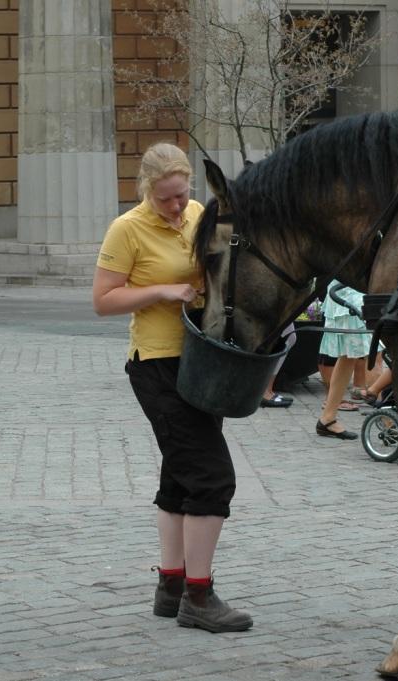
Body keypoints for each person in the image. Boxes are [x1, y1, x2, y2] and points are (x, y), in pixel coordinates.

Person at [92, 142, 252, 633]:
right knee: (211, 477)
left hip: (200, 360)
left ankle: (172, 585)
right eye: (166, 199)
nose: (176, 207)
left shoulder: (200, 214)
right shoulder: (127, 229)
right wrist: (161, 290)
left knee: (180, 476)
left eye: (181, 196)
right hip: (156, 364)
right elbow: (103, 300)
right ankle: (199, 598)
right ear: (146, 190)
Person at [316, 281, 372, 440]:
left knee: (349, 356)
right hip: (352, 294)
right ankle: (390, 423)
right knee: (375, 353)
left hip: (352, 291)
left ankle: (327, 417)